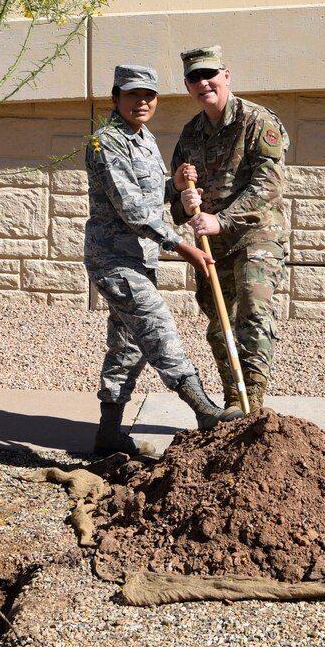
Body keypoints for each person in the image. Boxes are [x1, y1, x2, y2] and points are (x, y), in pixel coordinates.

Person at [85, 64, 241, 457]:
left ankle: (108, 432)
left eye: (148, 95)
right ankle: (203, 409)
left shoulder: (145, 139)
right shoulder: (105, 143)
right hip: (113, 260)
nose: (142, 102)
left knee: (128, 346)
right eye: (132, 94)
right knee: (156, 324)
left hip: (140, 259)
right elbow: (132, 208)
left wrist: (175, 187)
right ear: (115, 98)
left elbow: (153, 198)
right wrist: (180, 246)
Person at [170, 45, 290, 414]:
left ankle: (252, 403)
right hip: (215, 246)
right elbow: (177, 198)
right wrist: (183, 198)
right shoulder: (190, 134)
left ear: (226, 75)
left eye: (209, 74)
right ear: (188, 86)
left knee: (252, 312)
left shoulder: (257, 121)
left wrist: (221, 220)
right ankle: (233, 402)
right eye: (194, 78)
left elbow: (268, 185)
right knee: (219, 323)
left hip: (257, 236)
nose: (203, 82)